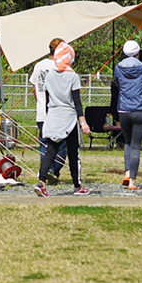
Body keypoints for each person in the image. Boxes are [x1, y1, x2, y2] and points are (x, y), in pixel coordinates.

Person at [35, 42, 91, 197]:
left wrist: (48, 117)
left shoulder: (49, 76)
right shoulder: (73, 76)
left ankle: (42, 182)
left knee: (50, 151)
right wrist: (83, 122)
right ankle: (77, 185)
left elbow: (47, 101)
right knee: (73, 152)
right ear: (70, 58)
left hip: (52, 115)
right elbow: (77, 102)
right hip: (69, 118)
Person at [111, 40, 142, 190]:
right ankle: (132, 181)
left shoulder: (118, 67)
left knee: (127, 142)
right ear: (138, 53)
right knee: (136, 146)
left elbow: (117, 83)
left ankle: (127, 173)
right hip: (141, 110)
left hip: (124, 110)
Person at [29, 37, 66, 184]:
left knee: (44, 144)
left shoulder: (39, 65)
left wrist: (40, 102)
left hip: (42, 112)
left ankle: (45, 173)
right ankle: (52, 172)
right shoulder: (62, 66)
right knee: (61, 145)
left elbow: (34, 87)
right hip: (58, 113)